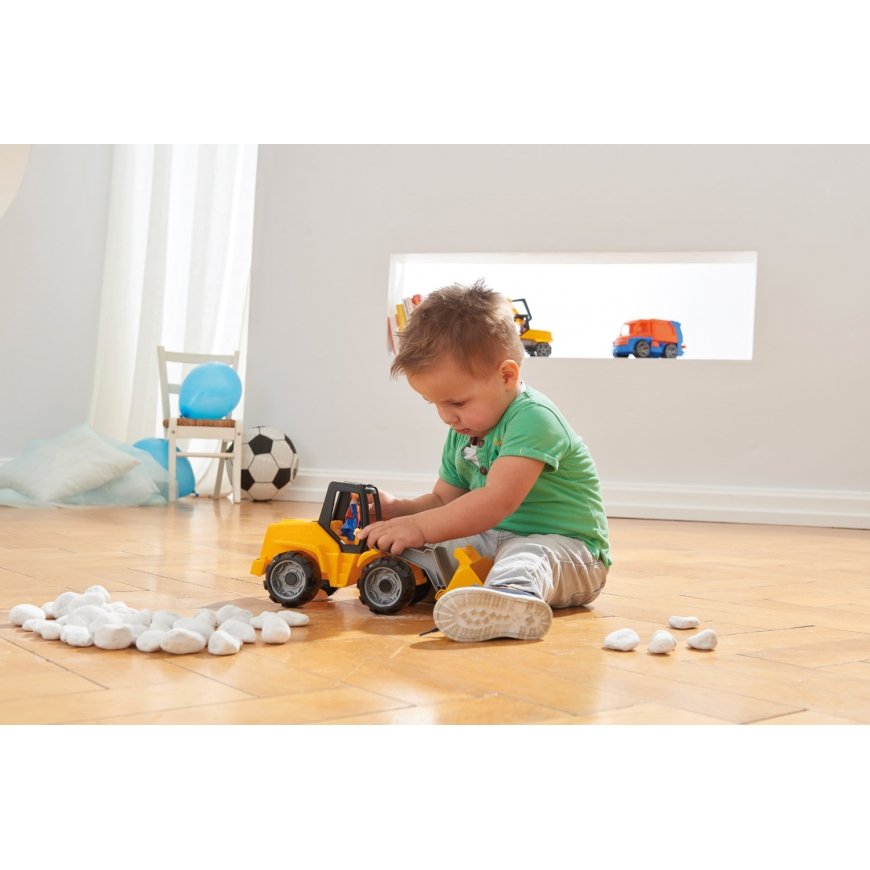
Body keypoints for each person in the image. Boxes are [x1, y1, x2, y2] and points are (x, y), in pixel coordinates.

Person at [358, 280, 611, 642]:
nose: (446, 417)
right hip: (495, 540)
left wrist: (419, 526)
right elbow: (443, 500)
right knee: (429, 552)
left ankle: (512, 600)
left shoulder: (534, 419)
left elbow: (496, 501)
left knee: (527, 556)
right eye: (435, 404)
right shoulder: (465, 429)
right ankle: (437, 589)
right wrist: (401, 510)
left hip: (569, 552)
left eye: (457, 403)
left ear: (507, 375)